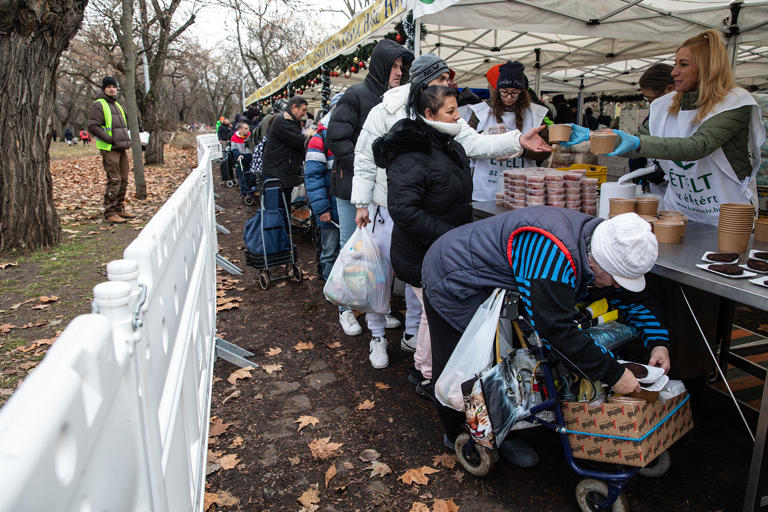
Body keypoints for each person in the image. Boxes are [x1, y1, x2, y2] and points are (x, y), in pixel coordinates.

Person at [422, 209, 670, 467]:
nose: (617, 286)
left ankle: (500, 423)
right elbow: (554, 330)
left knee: (508, 357)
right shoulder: (550, 253)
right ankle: (460, 433)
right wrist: (613, 374)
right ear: (596, 261)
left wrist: (658, 342)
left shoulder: (600, 247)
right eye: (616, 280)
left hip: (496, 277)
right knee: (465, 362)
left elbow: (634, 298)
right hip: (454, 275)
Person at [352, 54, 550, 377]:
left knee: (423, 292)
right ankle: (378, 335)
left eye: (448, 80)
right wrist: (361, 203)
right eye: (442, 80)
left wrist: (517, 139)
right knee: (380, 277)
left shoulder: (446, 117)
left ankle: (415, 340)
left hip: (428, 217)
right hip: (389, 208)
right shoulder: (387, 112)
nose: (448, 85)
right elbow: (364, 158)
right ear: (425, 86)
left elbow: (477, 143)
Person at [563, 30, 765, 225]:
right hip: (678, 211)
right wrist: (596, 137)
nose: (674, 72)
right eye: (675, 64)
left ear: (707, 69)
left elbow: (698, 146)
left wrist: (637, 142)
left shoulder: (734, 103)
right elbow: (635, 145)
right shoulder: (665, 106)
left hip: (725, 214)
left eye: (683, 65)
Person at [373, 84, 474, 396]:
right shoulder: (410, 152)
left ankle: (426, 369)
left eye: (458, 110)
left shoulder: (448, 144)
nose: (459, 117)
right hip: (422, 253)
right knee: (434, 313)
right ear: (429, 114)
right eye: (451, 111)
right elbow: (403, 208)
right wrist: (449, 237)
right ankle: (425, 373)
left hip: (444, 249)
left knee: (437, 312)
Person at [326, 38, 414, 342]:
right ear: (380, 66)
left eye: (402, 67)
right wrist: (371, 167)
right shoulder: (356, 95)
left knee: (379, 255)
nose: (399, 72)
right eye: (394, 66)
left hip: (383, 195)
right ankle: (346, 309)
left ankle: (378, 305)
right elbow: (336, 140)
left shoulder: (399, 101)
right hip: (352, 189)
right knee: (354, 250)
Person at [465, 61, 550, 201]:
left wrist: (522, 150)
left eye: (514, 93)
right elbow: (467, 145)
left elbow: (545, 152)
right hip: (486, 189)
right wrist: (486, 138)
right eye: (504, 92)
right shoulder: (480, 112)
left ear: (522, 93)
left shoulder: (536, 114)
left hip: (522, 191)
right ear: (497, 91)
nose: (509, 97)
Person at [305, 92, 344, 280]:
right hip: (330, 209)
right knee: (330, 252)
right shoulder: (319, 139)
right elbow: (313, 178)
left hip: (347, 208)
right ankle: (332, 290)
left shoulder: (351, 135)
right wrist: (322, 209)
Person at [88, 75, 134, 224]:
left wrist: (126, 141)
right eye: (109, 87)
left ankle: (120, 208)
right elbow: (93, 126)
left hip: (121, 148)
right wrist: (109, 139)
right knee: (115, 179)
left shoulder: (117, 105)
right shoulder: (99, 104)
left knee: (124, 179)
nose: (112, 89)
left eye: (114, 87)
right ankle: (110, 211)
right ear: (104, 89)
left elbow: (121, 127)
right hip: (109, 148)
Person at [261, 96, 315, 208]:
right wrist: (309, 134)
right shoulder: (284, 121)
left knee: (283, 205)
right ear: (294, 107)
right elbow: (298, 141)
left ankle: (284, 225)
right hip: (277, 173)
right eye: (303, 110)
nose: (305, 114)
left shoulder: (289, 120)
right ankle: (278, 225)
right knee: (278, 207)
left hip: (281, 172)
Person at [629, 63, 675, 192]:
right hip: (658, 184)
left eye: (651, 99)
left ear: (670, 90)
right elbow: (641, 138)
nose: (651, 104)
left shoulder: (692, 116)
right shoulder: (655, 116)